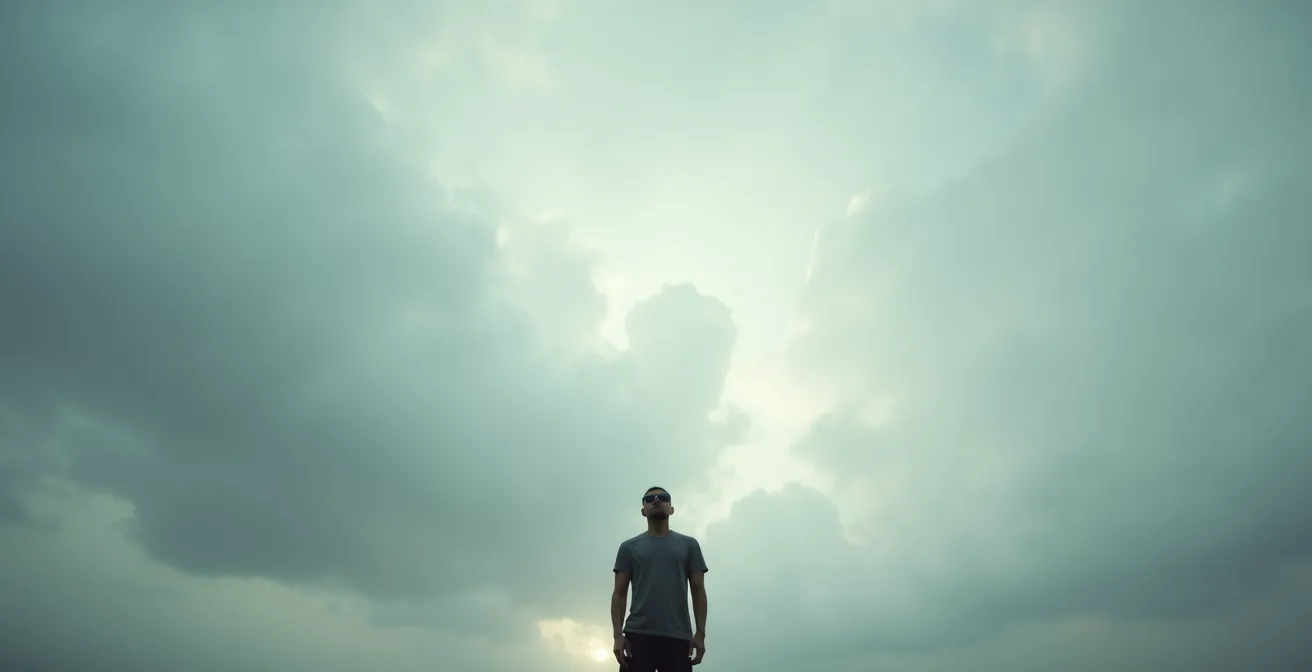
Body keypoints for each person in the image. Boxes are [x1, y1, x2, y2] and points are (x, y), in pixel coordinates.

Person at [611, 486, 708, 670]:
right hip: (637, 638)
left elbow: (698, 591)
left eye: (663, 497)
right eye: (649, 499)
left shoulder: (689, 545)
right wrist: (617, 636)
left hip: (678, 638)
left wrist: (700, 634)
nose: (656, 501)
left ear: (671, 509)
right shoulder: (628, 547)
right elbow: (619, 593)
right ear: (643, 511)